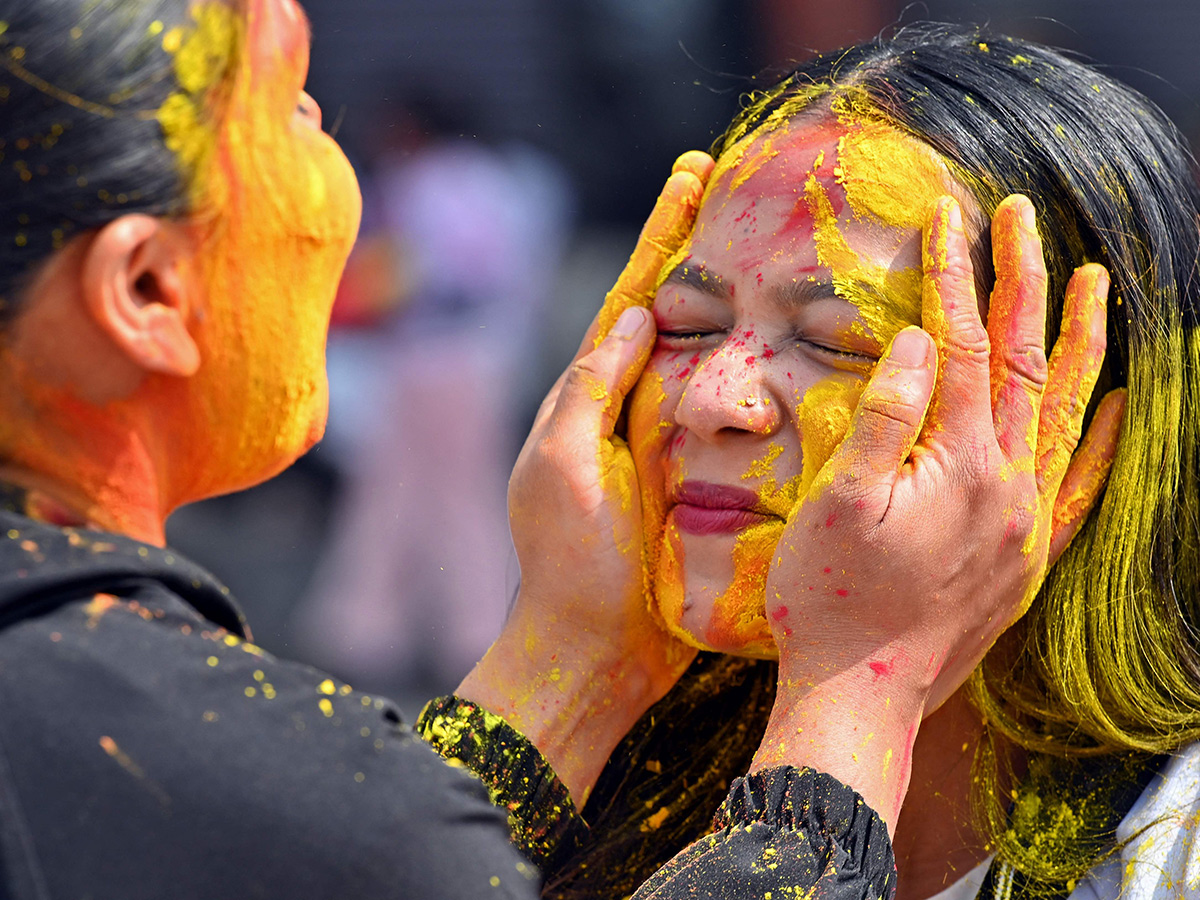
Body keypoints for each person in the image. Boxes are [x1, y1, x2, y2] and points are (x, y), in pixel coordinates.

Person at [0, 4, 1124, 900]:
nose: (714, 398)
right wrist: (852, 688)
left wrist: (574, 661)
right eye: (297, 110)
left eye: (836, 344)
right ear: (144, 286)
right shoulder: (218, 790)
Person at [455, 24, 1200, 900]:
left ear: (1068, 414)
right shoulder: (591, 791)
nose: (710, 399)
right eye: (687, 326)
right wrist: (563, 668)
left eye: (837, 343)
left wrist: (856, 681)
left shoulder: (1171, 846)